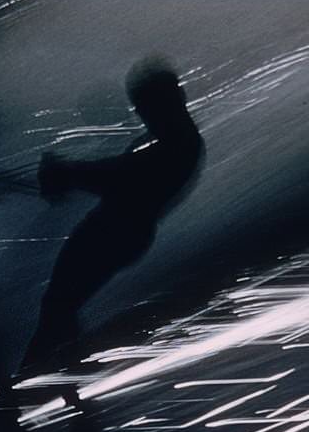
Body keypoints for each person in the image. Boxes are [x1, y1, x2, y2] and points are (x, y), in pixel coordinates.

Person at [22, 55, 205, 372]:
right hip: (118, 230)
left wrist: (68, 172)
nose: (140, 112)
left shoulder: (178, 144)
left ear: (168, 99)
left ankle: (31, 389)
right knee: (61, 305)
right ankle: (63, 384)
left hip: (118, 232)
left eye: (144, 104)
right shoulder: (171, 138)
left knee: (59, 305)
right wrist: (69, 175)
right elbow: (118, 176)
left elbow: (121, 178)